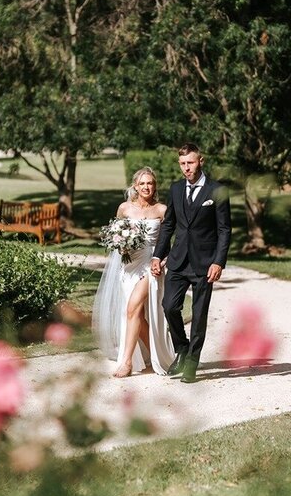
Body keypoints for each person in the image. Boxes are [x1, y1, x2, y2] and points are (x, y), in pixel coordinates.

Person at [150, 143, 231, 384]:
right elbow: (169, 225)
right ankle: (182, 348)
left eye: (191, 163)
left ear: (201, 161)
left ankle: (192, 364)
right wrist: (157, 255)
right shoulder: (175, 189)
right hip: (178, 260)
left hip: (205, 264)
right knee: (169, 307)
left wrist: (219, 261)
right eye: (183, 164)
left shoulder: (217, 190)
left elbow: (225, 230)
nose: (187, 168)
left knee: (198, 315)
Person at [92, 167, 175, 377]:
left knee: (131, 308)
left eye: (150, 183)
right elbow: (115, 236)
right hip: (128, 266)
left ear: (154, 186)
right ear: (135, 186)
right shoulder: (124, 209)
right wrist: (122, 244)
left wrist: (163, 261)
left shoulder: (162, 210)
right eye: (142, 184)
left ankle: (126, 362)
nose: (147, 187)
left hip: (150, 265)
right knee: (136, 314)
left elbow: (170, 243)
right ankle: (162, 356)